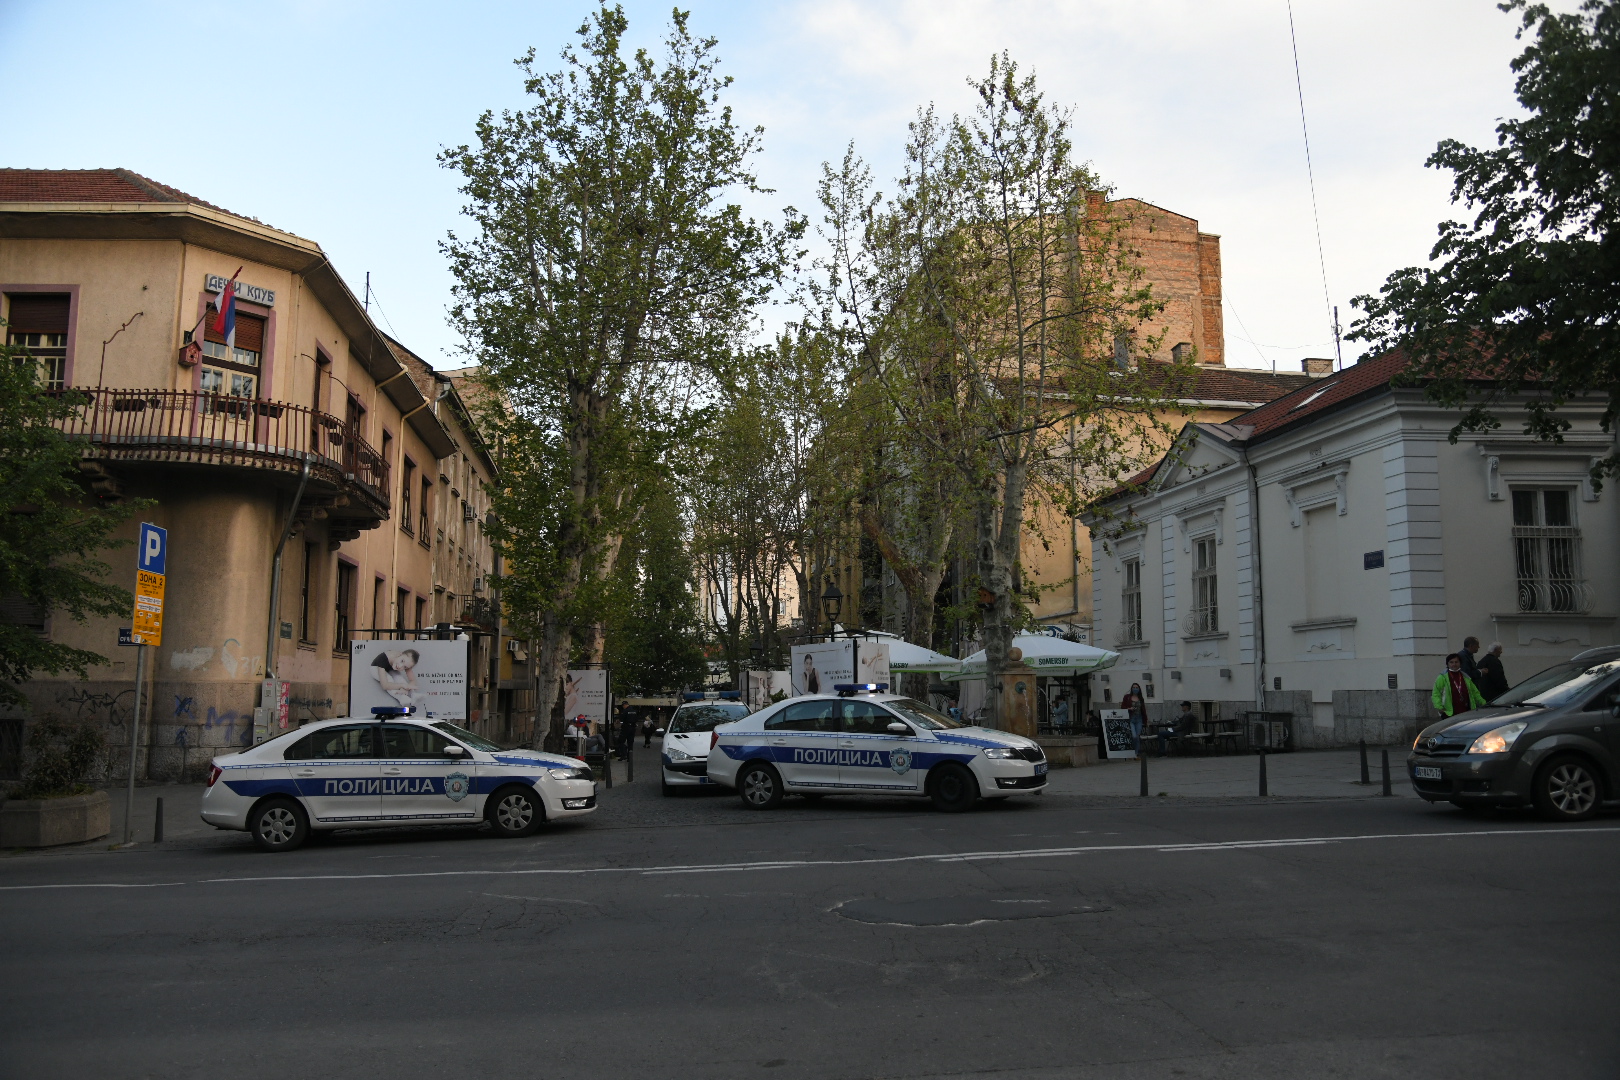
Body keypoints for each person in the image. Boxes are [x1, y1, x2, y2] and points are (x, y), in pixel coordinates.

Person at [1432, 653, 1486, 719]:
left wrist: (1484, 703)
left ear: (1460, 663)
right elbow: (1436, 694)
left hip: (1466, 712)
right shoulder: (1442, 678)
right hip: (1449, 713)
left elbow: (1475, 693)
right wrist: (1439, 708)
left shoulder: (1466, 677)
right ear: (1447, 664)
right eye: (1451, 662)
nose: (1454, 664)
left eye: (1456, 662)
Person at [1122, 683, 1147, 752]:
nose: (1135, 689)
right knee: (1134, 736)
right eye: (1134, 687)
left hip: (1139, 719)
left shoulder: (1141, 698)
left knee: (1138, 736)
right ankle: (1132, 750)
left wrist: (1145, 721)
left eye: (1136, 687)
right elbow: (1122, 706)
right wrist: (1129, 708)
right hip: (1131, 718)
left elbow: (1143, 710)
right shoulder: (1127, 697)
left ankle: (1136, 753)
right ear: (1131, 688)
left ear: (1139, 689)